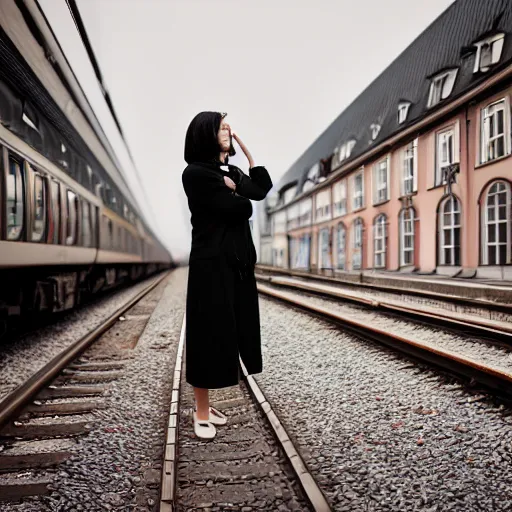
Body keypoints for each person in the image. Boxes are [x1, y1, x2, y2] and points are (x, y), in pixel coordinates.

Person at [182, 111, 273, 439]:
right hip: (210, 265)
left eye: (229, 128)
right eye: (222, 127)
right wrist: (237, 194)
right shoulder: (194, 173)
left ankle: (207, 408)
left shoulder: (230, 170)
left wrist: (248, 157)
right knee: (207, 335)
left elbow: (260, 190)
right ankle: (201, 412)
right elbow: (239, 208)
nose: (228, 132)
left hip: (238, 264)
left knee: (236, 332)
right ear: (205, 133)